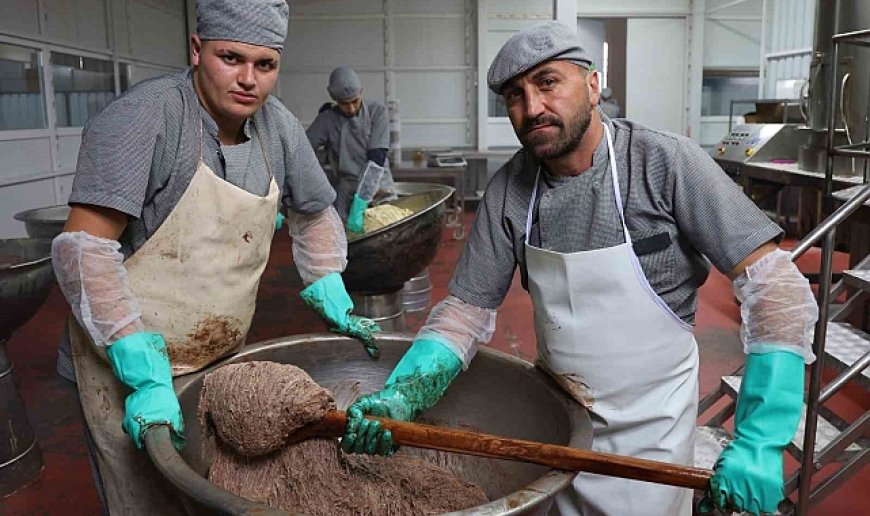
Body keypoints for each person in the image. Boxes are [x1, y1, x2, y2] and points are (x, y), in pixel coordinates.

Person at [341, 21, 817, 516]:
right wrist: (404, 394)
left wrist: (760, 441)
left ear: (592, 86)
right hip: (557, 428)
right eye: (514, 96)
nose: (532, 108)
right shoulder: (510, 191)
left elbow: (775, 287)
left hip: (651, 435)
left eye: (548, 82)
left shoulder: (663, 163)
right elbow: (463, 313)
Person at [49, 1, 379, 513]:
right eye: (231, 58)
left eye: (265, 65)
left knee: (219, 487)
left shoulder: (281, 129)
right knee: (143, 497)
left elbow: (314, 214)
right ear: (198, 50)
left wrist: (328, 281)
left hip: (221, 347)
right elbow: (84, 250)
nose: (249, 79)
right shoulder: (146, 118)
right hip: (126, 357)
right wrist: (144, 372)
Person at [306, 66, 396, 233]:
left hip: (379, 189)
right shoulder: (327, 120)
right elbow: (300, 153)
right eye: (344, 104)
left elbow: (377, 158)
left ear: (361, 91)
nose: (351, 109)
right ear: (334, 99)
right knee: (348, 244)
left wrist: (361, 202)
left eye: (355, 101)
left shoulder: (377, 111)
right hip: (345, 193)